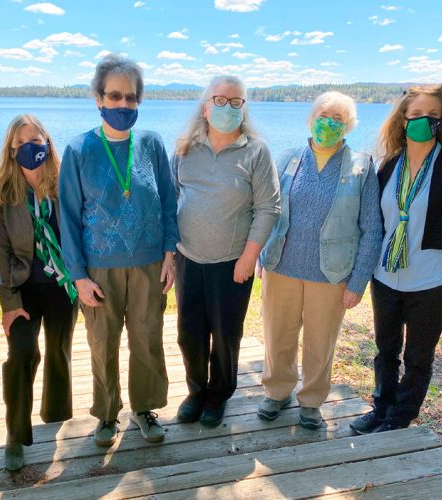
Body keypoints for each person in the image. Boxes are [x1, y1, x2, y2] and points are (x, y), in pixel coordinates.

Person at [350, 84, 442, 434]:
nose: (423, 121)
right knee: (385, 351)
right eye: (416, 115)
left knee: (417, 357)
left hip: (433, 280)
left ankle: (399, 418)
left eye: (432, 115)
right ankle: (380, 410)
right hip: (386, 276)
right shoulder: (390, 164)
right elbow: (375, 217)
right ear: (403, 119)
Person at [59, 54, 179, 446]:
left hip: (148, 264)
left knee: (147, 338)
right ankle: (106, 414)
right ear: (98, 98)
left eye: (130, 97)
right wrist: (78, 276)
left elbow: (169, 201)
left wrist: (170, 254)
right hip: (99, 269)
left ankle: (144, 408)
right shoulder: (79, 149)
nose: (122, 104)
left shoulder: (151, 143)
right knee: (102, 343)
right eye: (114, 96)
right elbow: (68, 217)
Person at [259, 91, 382, 430]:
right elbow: (269, 211)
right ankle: (277, 391)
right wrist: (261, 256)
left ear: (349, 125)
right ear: (311, 119)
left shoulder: (361, 166)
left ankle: (311, 400)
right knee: (278, 335)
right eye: (323, 115)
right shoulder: (289, 158)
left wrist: (358, 281)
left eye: (338, 119)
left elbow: (372, 229)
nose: (329, 123)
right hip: (281, 266)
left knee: (320, 342)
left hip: (331, 273)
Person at [172, 76, 280, 427]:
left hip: (233, 263)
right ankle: (196, 392)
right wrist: (169, 255)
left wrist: (249, 257)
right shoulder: (185, 148)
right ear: (205, 107)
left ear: (244, 108)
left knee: (225, 335)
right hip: (188, 258)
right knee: (189, 334)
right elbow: (172, 199)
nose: (227, 107)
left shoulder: (256, 151)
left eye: (236, 102)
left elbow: (268, 207)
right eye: (220, 100)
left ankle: (218, 396)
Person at [0, 114, 79, 471]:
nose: (30, 147)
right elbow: (2, 253)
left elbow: (80, 233)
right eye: (21, 143)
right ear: (11, 150)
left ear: (48, 143)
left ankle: (55, 415)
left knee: (59, 351)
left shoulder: (65, 183)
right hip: (23, 288)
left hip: (62, 285)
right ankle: (15, 433)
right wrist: (9, 304)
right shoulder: (0, 193)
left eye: (36, 140)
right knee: (22, 354)